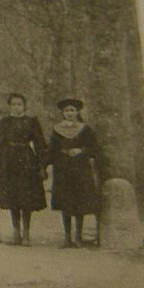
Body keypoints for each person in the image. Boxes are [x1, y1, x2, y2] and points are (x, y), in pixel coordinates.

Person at [46, 98, 103, 248]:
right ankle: (67, 237)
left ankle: (78, 236)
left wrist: (81, 150)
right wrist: (60, 154)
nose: (69, 113)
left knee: (79, 202)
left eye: (72, 110)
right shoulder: (57, 129)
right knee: (65, 203)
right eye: (66, 111)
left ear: (77, 112)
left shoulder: (85, 129)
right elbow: (51, 150)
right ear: (62, 113)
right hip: (63, 169)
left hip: (80, 168)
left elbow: (94, 148)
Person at [0, 93, 48, 246]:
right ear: (9, 106)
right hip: (9, 161)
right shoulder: (5, 122)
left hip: (26, 160)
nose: (16, 107)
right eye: (13, 104)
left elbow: (39, 144)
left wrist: (41, 165)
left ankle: (26, 233)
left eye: (19, 104)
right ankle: (15, 232)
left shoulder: (31, 121)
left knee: (26, 197)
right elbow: (0, 144)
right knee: (13, 197)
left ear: (24, 106)